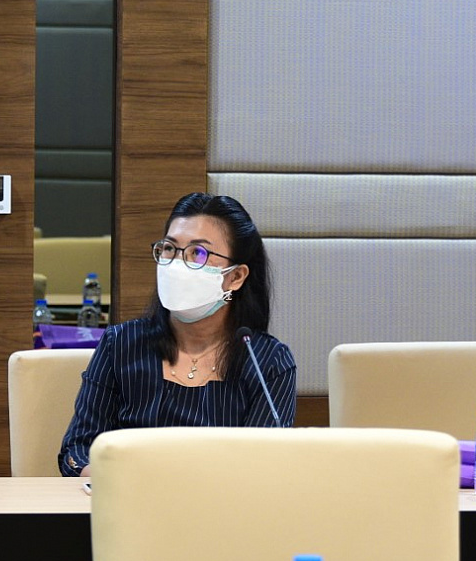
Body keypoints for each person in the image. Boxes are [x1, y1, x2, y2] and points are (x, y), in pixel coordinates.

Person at [58, 193, 297, 477]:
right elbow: (77, 448)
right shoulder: (121, 344)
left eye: (198, 253)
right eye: (170, 249)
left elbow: (263, 468)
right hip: (128, 499)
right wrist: (109, 480)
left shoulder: (268, 362)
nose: (177, 264)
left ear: (235, 277)